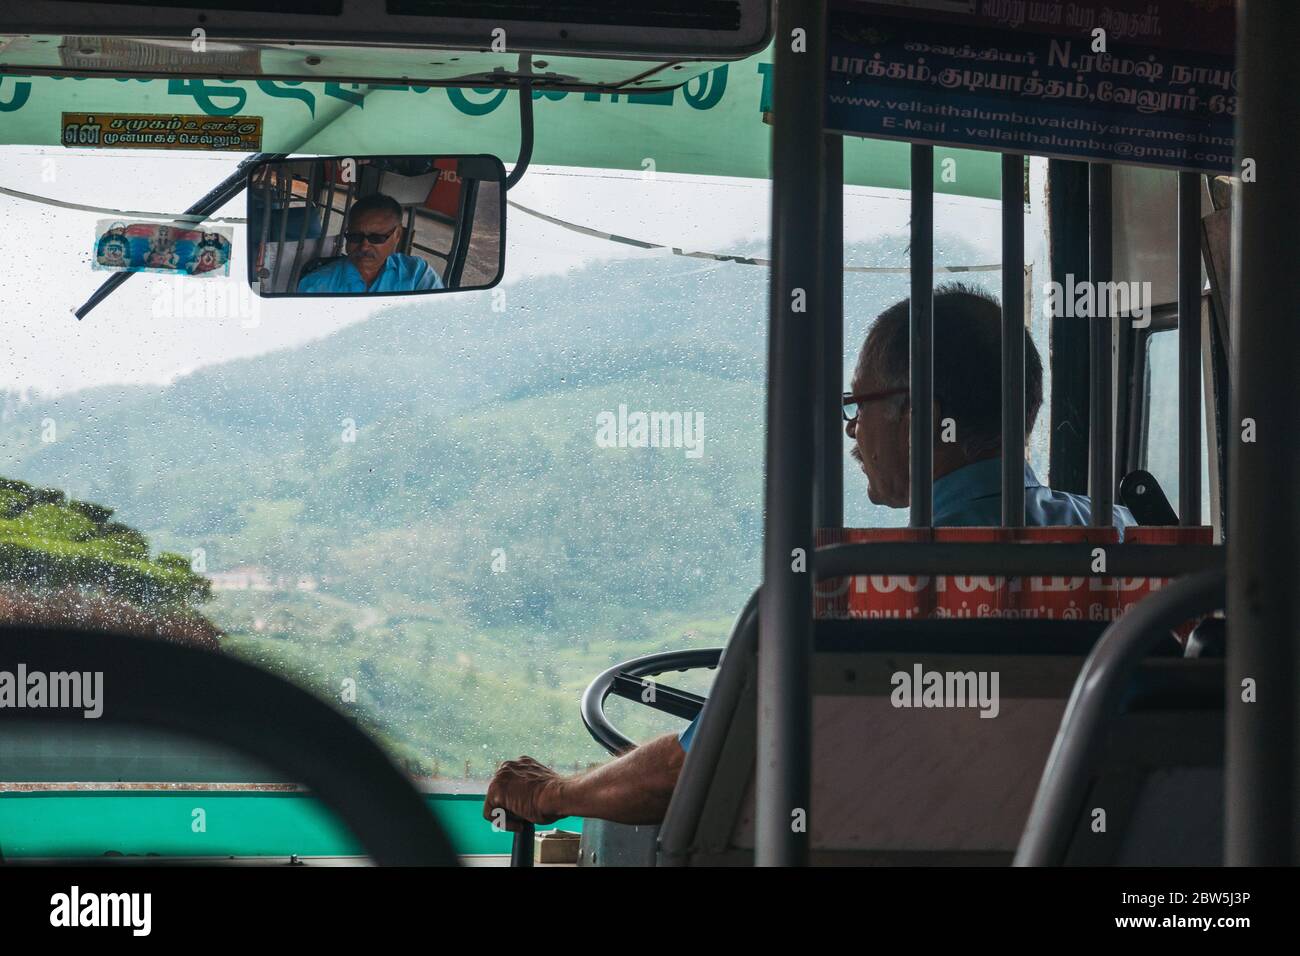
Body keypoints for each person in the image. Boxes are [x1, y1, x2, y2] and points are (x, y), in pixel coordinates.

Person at [482, 283, 1132, 830]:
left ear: (924, 417)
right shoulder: (1131, 549)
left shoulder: (860, 588)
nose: (852, 430)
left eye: (859, 405)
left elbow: (695, 772)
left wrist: (554, 794)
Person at [296, 193, 443, 293]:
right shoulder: (316, 284)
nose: (364, 246)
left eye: (376, 238)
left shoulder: (417, 275)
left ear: (397, 235)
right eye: (355, 237)